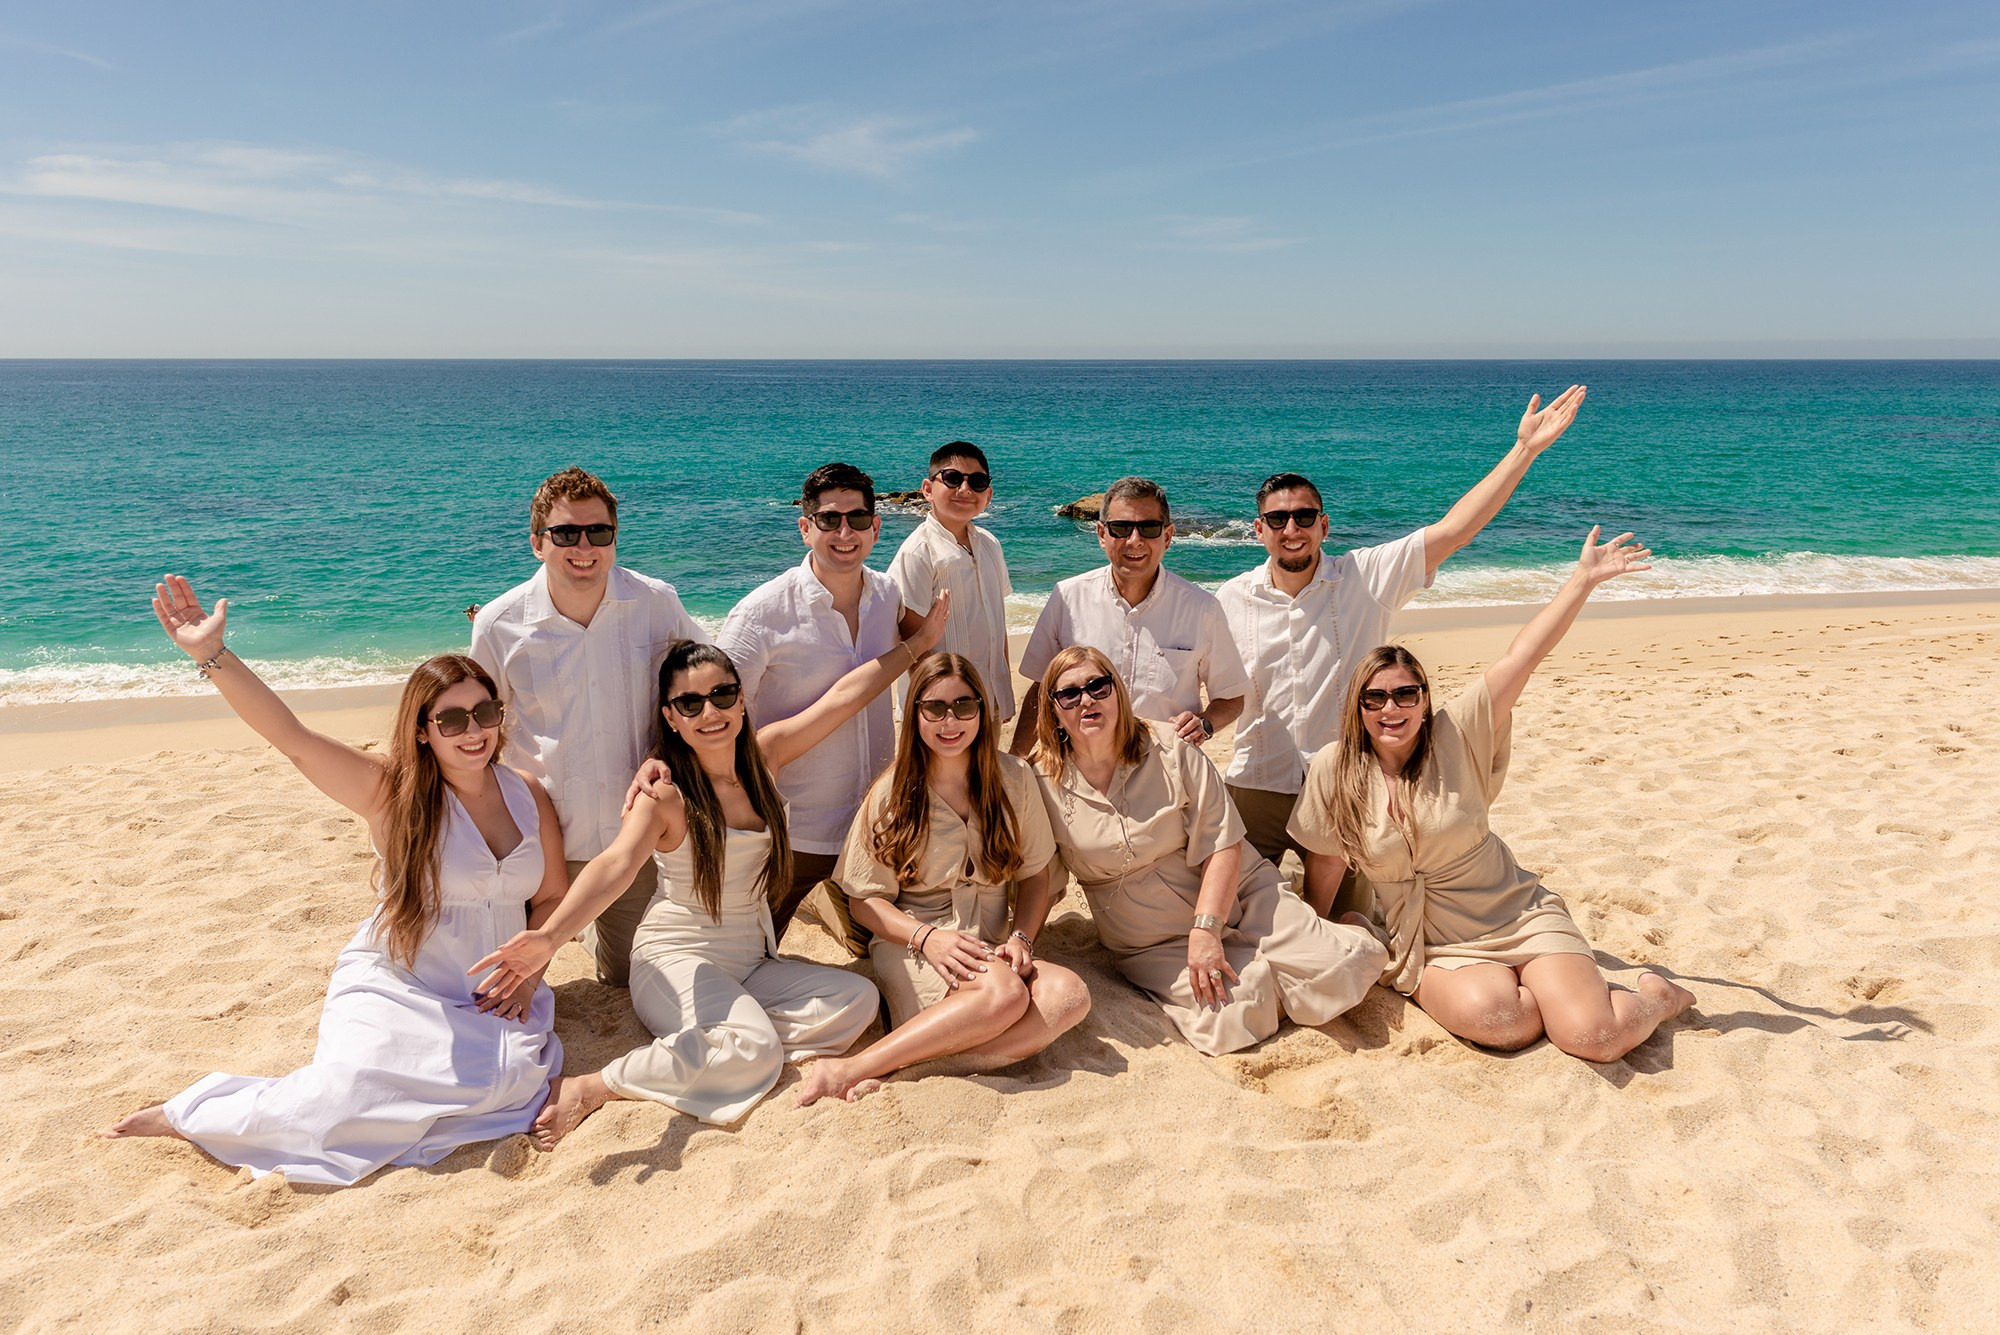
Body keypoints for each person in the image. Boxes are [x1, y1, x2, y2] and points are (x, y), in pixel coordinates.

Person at [104, 576, 567, 1186]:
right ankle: (189, 1111)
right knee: (342, 1099)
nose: (472, 730)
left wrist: (532, 969)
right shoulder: (391, 792)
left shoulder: (526, 792)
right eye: (450, 719)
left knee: (501, 1087)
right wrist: (211, 655)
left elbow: (553, 896)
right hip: (401, 985)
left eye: (484, 712)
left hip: (493, 992)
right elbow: (293, 741)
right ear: (423, 729)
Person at [467, 618, 946, 1145]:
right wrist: (548, 938)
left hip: (751, 959)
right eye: (690, 704)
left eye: (722, 695)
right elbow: (616, 865)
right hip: (677, 959)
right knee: (754, 1047)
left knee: (855, 1001)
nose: (710, 712)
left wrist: (916, 646)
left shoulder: (766, 756)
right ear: (671, 718)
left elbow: (843, 699)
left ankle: (726, 1043)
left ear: (741, 699)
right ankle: (595, 1085)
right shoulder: (665, 795)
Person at [1287, 528, 1698, 1062]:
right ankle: (1534, 991)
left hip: (1514, 914)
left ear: (1425, 697)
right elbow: (1326, 856)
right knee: (1505, 1023)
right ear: (1358, 705)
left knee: (1594, 1038)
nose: (1392, 709)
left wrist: (1583, 580)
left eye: (1406, 693)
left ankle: (1658, 998)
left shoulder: (1459, 733)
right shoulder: (1333, 767)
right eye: (1376, 697)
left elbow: (1524, 654)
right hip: (1429, 941)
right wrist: (1320, 929)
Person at [1219, 387, 1590, 894]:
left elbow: (1457, 529)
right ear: (1258, 529)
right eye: (1278, 519)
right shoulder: (1230, 597)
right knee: (1241, 911)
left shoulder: (1366, 576)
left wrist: (1524, 449)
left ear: (1323, 525)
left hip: (1348, 781)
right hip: (1255, 780)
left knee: (1348, 916)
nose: (1292, 529)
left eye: (1304, 517)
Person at [1027, 646, 1386, 1056]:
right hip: (1152, 938)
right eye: (1069, 694)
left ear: (1117, 693)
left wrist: (1207, 928)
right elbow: (1037, 874)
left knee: (1340, 970)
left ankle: (1354, 929)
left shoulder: (1171, 748)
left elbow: (1224, 842)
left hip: (1241, 893)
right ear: (1054, 710)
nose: (1086, 699)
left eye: (1098, 686)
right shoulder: (1039, 782)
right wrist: (1019, 939)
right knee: (1231, 1020)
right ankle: (1276, 967)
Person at [796, 654, 1092, 1106]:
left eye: (963, 706)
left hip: (990, 944)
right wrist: (928, 938)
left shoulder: (1013, 779)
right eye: (934, 708)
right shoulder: (892, 793)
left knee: (1069, 995)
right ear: (915, 714)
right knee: (1004, 994)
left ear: (981, 710)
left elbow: (1036, 877)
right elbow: (864, 902)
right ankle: (851, 1068)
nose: (949, 720)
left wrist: (1022, 938)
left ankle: (916, 1070)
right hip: (913, 943)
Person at [471, 465, 709, 988]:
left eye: (598, 532)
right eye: (566, 534)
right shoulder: (497, 622)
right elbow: (478, 734)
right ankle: (576, 924)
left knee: (627, 979)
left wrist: (665, 750)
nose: (585, 546)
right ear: (538, 543)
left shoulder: (656, 602)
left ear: (614, 537)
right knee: (500, 981)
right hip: (540, 843)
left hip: (634, 840)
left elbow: (703, 687)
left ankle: (592, 930)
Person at [717, 462, 909, 937]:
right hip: (792, 833)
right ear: (806, 528)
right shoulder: (762, 613)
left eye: (858, 519)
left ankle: (829, 905)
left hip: (872, 829)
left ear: (876, 528)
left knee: (874, 948)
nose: (845, 532)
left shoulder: (888, 596)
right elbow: (715, 713)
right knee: (754, 950)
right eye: (829, 520)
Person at [1015, 477, 1249, 753]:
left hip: (1167, 776)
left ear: (1168, 537)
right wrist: (1015, 762)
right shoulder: (1067, 597)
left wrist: (1205, 724)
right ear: (1102, 535)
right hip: (1080, 772)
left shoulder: (1202, 608)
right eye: (1121, 528)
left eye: (1149, 528)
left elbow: (1231, 697)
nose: (1134, 540)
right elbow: (1041, 688)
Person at [888, 441, 1017, 725]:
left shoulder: (991, 544)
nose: (965, 489)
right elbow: (911, 642)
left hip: (988, 698)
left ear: (989, 495)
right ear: (928, 489)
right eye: (953, 478)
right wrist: (937, 710)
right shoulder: (918, 552)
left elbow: (997, 625)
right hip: (942, 710)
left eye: (978, 482)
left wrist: (1003, 693)